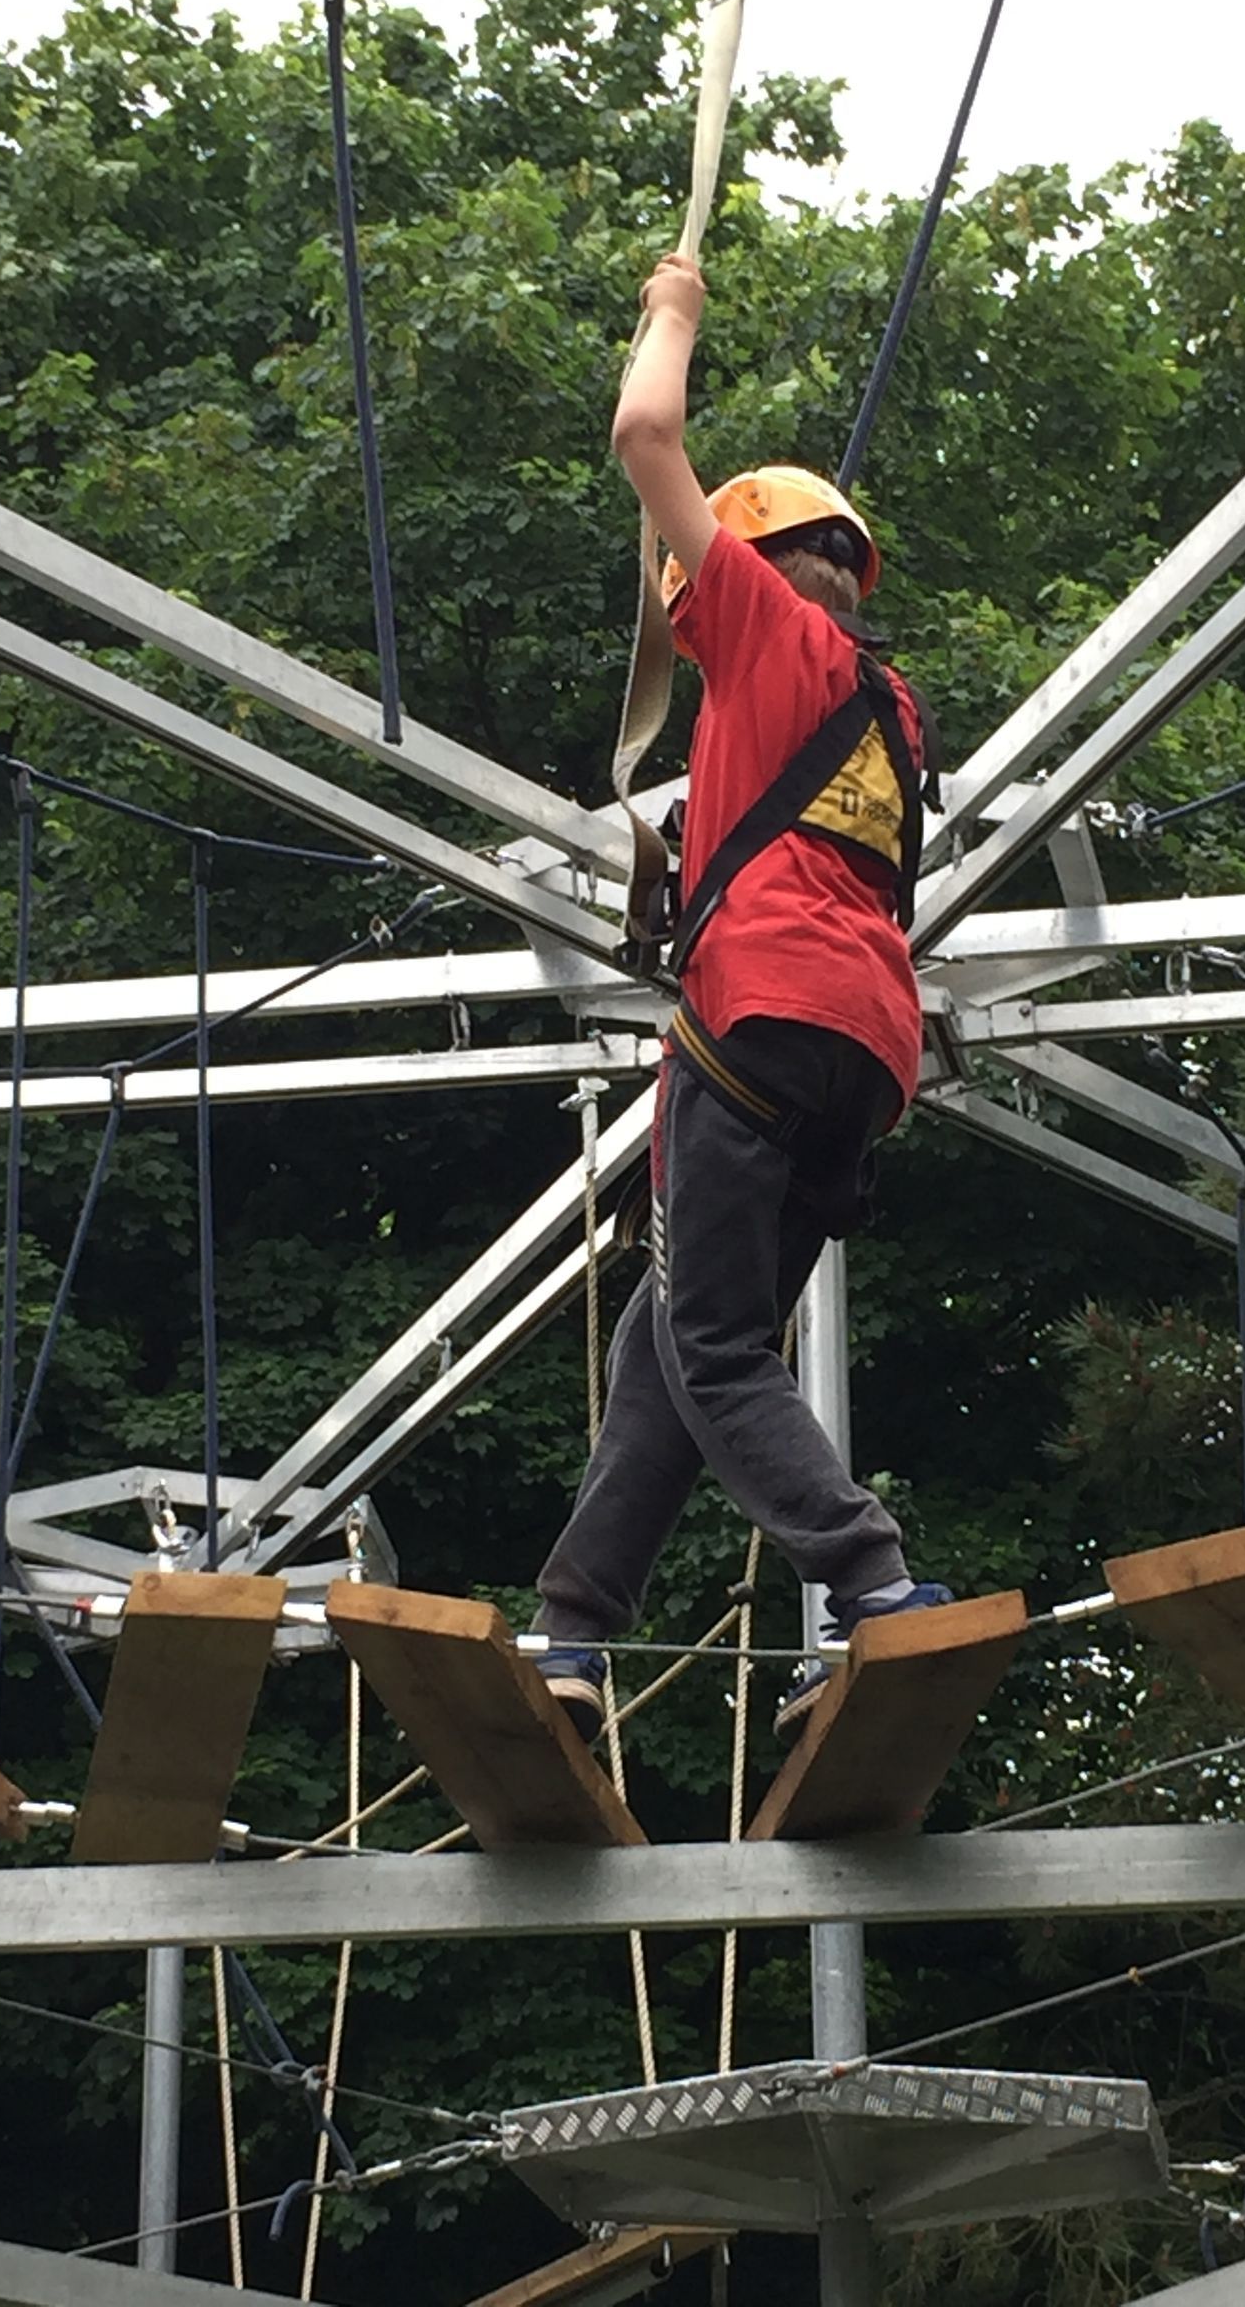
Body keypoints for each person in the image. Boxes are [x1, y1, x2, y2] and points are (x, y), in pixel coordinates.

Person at [532, 251, 948, 1743]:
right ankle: (573, 1634)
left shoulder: (766, 633)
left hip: (759, 1024)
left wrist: (675, 313)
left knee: (709, 1347)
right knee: (675, 1347)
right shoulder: (890, 709)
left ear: (744, 571)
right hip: (861, 1052)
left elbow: (645, 433)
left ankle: (872, 1580)